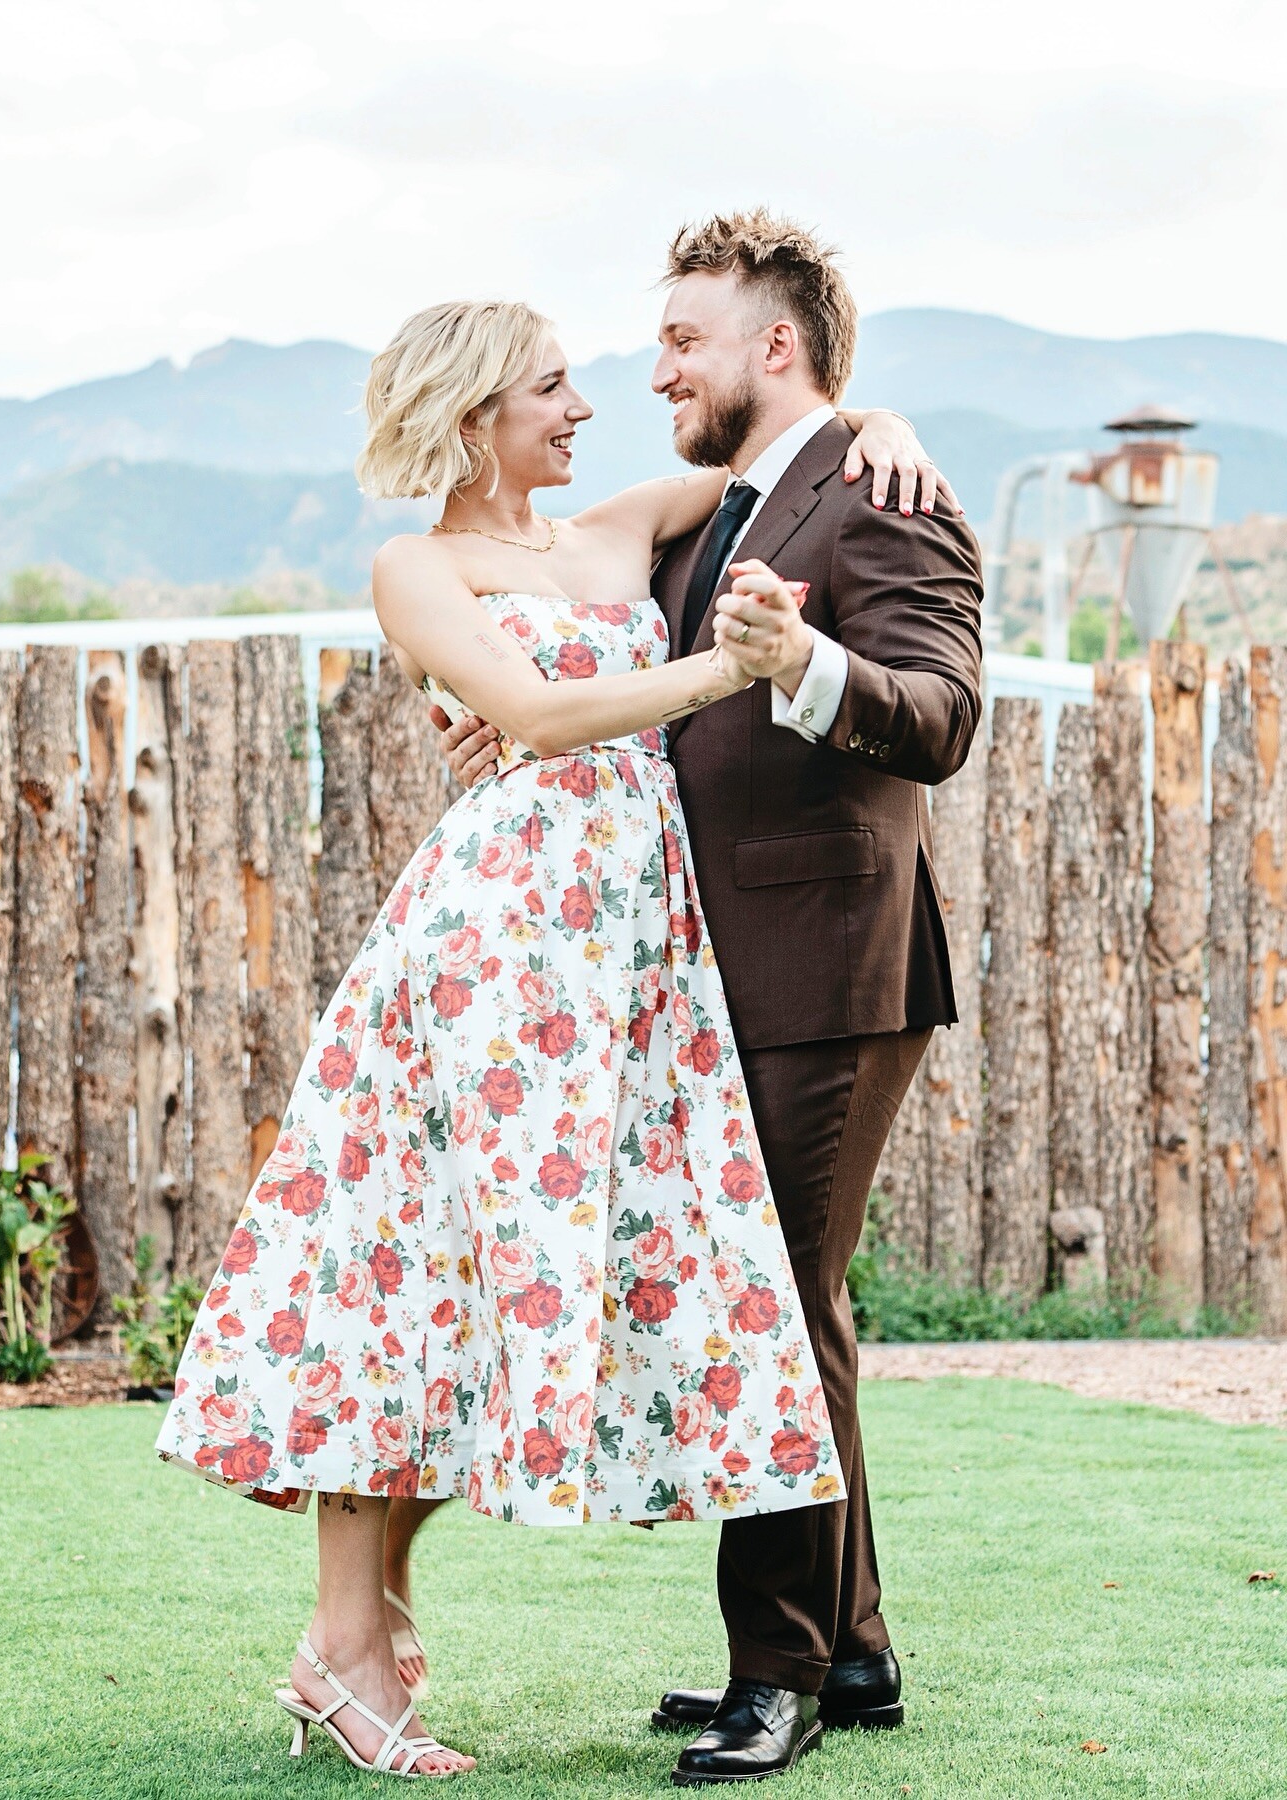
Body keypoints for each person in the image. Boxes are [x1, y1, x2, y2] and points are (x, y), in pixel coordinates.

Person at [155, 288, 946, 1782]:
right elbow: (536, 713)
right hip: (502, 947)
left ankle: (371, 1629)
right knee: (419, 1261)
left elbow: (792, 457)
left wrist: (884, 423)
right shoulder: (417, 565)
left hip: (634, 955)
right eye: (553, 387)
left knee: (536, 1281)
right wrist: (733, 668)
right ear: (475, 416)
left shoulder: (621, 528)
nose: (587, 409)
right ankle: (349, 1639)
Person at [427, 211, 984, 1786]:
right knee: (799, 1299)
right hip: (704, 974)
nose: (657, 367)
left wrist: (803, 664)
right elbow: (616, 673)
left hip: (831, 961)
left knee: (773, 1305)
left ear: (774, 346)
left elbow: (942, 715)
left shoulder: (882, 495)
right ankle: (854, 1649)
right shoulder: (715, 512)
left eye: (683, 338)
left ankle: (776, 1673)